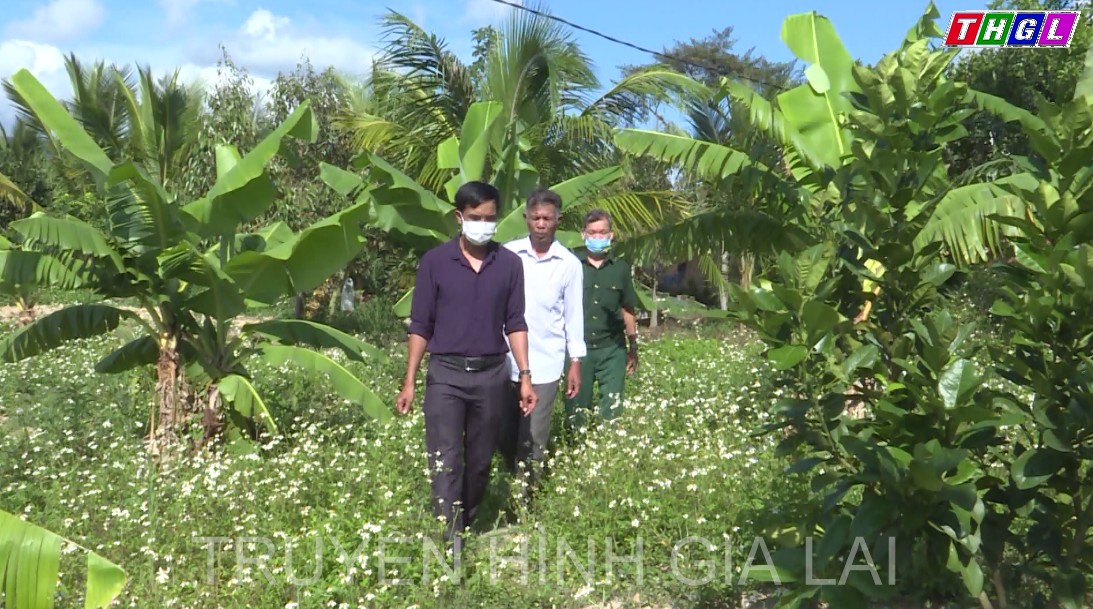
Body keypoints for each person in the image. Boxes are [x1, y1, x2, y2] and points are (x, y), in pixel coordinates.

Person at [395, 181, 537, 555]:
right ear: (459, 217)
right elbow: (420, 325)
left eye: (490, 218)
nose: (483, 224)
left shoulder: (509, 264)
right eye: (475, 217)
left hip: (491, 376)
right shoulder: (435, 263)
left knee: (479, 463)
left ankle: (466, 521)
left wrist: (525, 376)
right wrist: (409, 380)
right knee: (445, 461)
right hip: (446, 375)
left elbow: (516, 322)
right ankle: (451, 543)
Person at [498, 187, 586, 487]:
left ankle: (526, 497)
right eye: (535, 218)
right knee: (504, 433)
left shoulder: (569, 264)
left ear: (558, 220)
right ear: (526, 218)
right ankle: (506, 488)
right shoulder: (508, 255)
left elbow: (573, 316)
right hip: (505, 361)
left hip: (545, 365)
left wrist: (575, 361)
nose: (540, 224)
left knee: (534, 436)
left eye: (547, 218)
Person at [563, 209, 639, 431]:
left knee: (612, 411)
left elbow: (628, 308)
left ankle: (608, 445)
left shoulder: (621, 269)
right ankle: (576, 447)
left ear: (611, 235)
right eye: (593, 232)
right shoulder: (571, 265)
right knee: (576, 410)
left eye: (603, 232)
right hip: (579, 351)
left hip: (612, 349)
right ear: (583, 234)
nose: (598, 237)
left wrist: (633, 347)